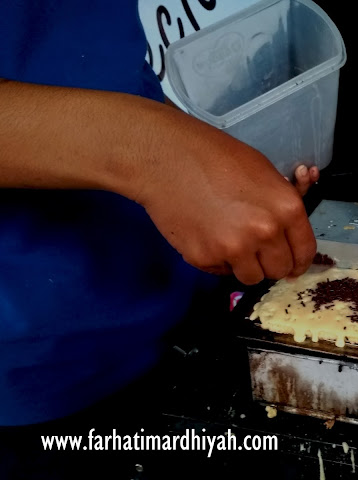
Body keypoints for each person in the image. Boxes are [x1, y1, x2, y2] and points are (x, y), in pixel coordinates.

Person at [0, 1, 320, 476]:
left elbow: (92, 52)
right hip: (40, 377)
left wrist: (219, 164)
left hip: (176, 308)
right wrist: (156, 151)